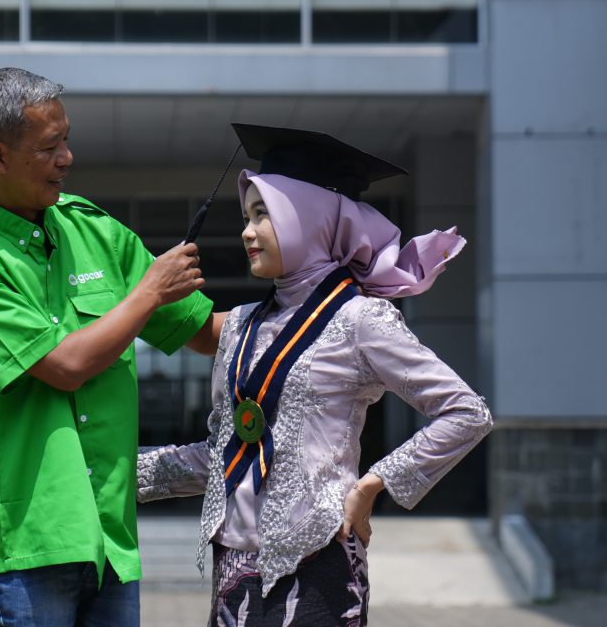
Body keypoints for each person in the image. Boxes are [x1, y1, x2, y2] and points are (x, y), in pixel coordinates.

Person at [137, 124, 493, 626]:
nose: (246, 231)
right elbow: (227, 454)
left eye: (264, 215)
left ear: (310, 219)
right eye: (246, 216)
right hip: (233, 574)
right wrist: (114, 473)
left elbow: (466, 412)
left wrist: (371, 486)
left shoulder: (360, 320)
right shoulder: (239, 325)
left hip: (319, 570)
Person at [0, 67, 223, 627]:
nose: (68, 158)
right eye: (50, 146)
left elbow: (205, 333)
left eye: (67, 141)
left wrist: (314, 312)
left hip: (108, 537)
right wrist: (149, 291)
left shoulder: (95, 232)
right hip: (23, 544)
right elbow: (64, 366)